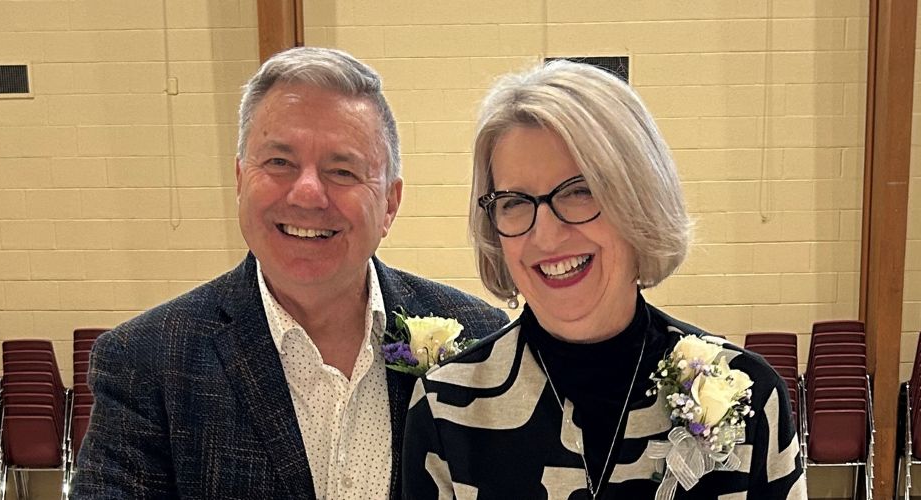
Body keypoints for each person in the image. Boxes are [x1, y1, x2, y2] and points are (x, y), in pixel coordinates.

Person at [72, 47, 508, 499]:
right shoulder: (146, 362)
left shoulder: (482, 343)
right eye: (279, 163)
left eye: (342, 170)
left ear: (390, 204)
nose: (306, 194)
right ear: (241, 179)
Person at [402, 61, 806, 499]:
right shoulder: (447, 409)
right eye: (515, 201)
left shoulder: (747, 393)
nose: (546, 235)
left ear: (640, 200)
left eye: (579, 191)